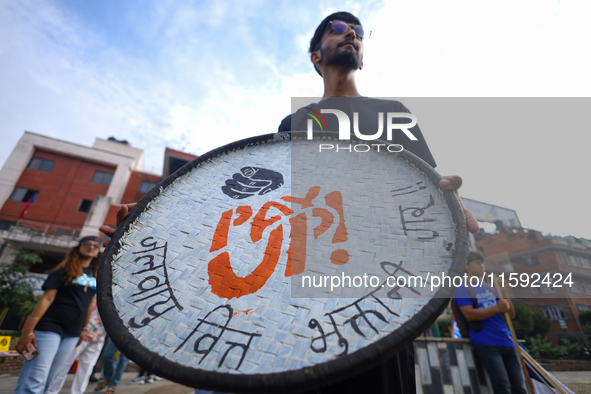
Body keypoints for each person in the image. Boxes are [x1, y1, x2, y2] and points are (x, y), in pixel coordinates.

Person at [99, 11, 479, 393]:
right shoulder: (294, 123)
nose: (352, 35)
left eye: (358, 32)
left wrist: (452, 212)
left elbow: (425, 190)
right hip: (302, 293)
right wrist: (149, 226)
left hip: (377, 291)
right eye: (339, 29)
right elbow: (269, 202)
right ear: (316, 56)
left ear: (362, 55)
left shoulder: (392, 113)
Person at [13, 235, 101, 394]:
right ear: (79, 247)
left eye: (96, 245)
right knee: (35, 380)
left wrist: (83, 329)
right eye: (87, 243)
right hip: (49, 327)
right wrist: (28, 331)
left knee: (50, 381)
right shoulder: (63, 269)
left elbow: (89, 305)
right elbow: (46, 299)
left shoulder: (96, 275)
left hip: (73, 333)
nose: (92, 246)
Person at [454, 252, 526, 394]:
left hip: (507, 341)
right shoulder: (462, 288)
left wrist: (504, 293)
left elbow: (510, 315)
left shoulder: (490, 287)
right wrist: (496, 308)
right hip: (486, 343)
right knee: (502, 386)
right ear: (466, 265)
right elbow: (469, 314)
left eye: (482, 262)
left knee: (519, 387)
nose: (482, 265)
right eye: (477, 262)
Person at [45, 301, 106, 394]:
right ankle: (51, 391)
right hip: (81, 332)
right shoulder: (95, 289)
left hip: (100, 334)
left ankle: (77, 392)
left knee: (87, 368)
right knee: (64, 364)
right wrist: (82, 328)